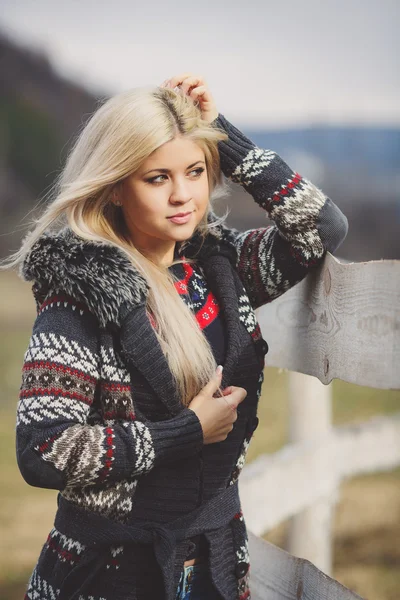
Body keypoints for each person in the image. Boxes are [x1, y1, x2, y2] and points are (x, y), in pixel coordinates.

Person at [5, 73, 348, 600]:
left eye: (195, 171)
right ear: (116, 186)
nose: (183, 195)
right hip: (110, 573)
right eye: (157, 178)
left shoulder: (220, 267)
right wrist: (186, 430)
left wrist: (220, 133)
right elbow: (42, 449)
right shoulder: (81, 293)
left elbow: (320, 227)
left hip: (212, 561)